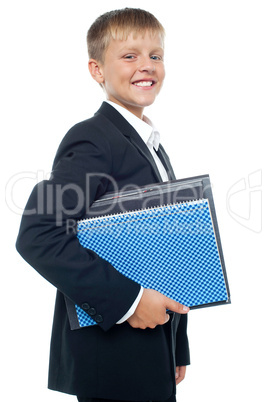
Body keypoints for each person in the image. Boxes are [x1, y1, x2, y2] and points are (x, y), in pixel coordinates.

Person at [16, 8, 190, 402]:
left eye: (155, 56)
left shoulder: (153, 147)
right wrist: (131, 303)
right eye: (129, 56)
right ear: (97, 70)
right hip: (112, 354)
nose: (146, 66)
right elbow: (39, 235)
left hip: (153, 347)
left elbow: (167, 251)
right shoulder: (93, 138)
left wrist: (177, 347)